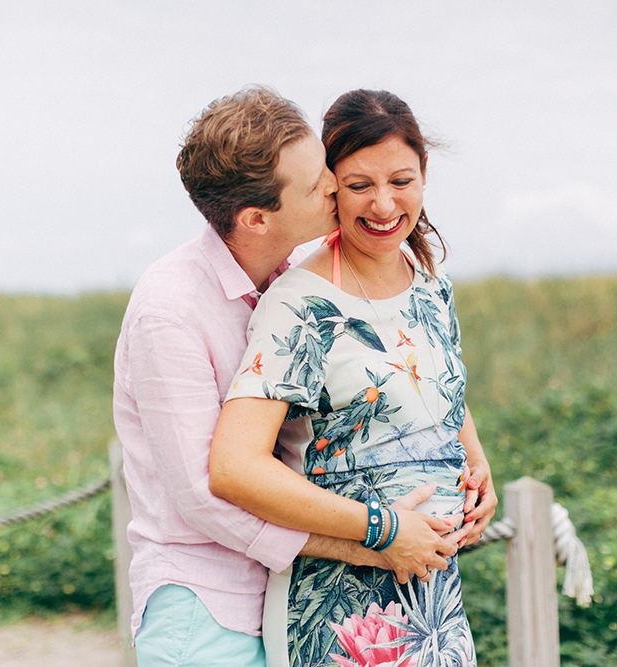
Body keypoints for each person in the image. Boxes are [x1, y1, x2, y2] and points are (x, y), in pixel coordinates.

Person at [113, 86, 471, 667]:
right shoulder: (170, 312)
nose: (336, 185)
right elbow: (208, 495)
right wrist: (376, 539)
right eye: (317, 184)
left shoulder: (285, 276)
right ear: (256, 218)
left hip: (280, 596)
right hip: (207, 614)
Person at [209, 89, 497, 667]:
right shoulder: (300, 306)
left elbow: (431, 387)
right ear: (329, 188)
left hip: (436, 603)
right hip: (340, 610)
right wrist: (385, 529)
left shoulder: (432, 285)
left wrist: (475, 460)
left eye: (402, 180)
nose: (385, 205)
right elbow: (233, 467)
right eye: (360, 185)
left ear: (423, 176)